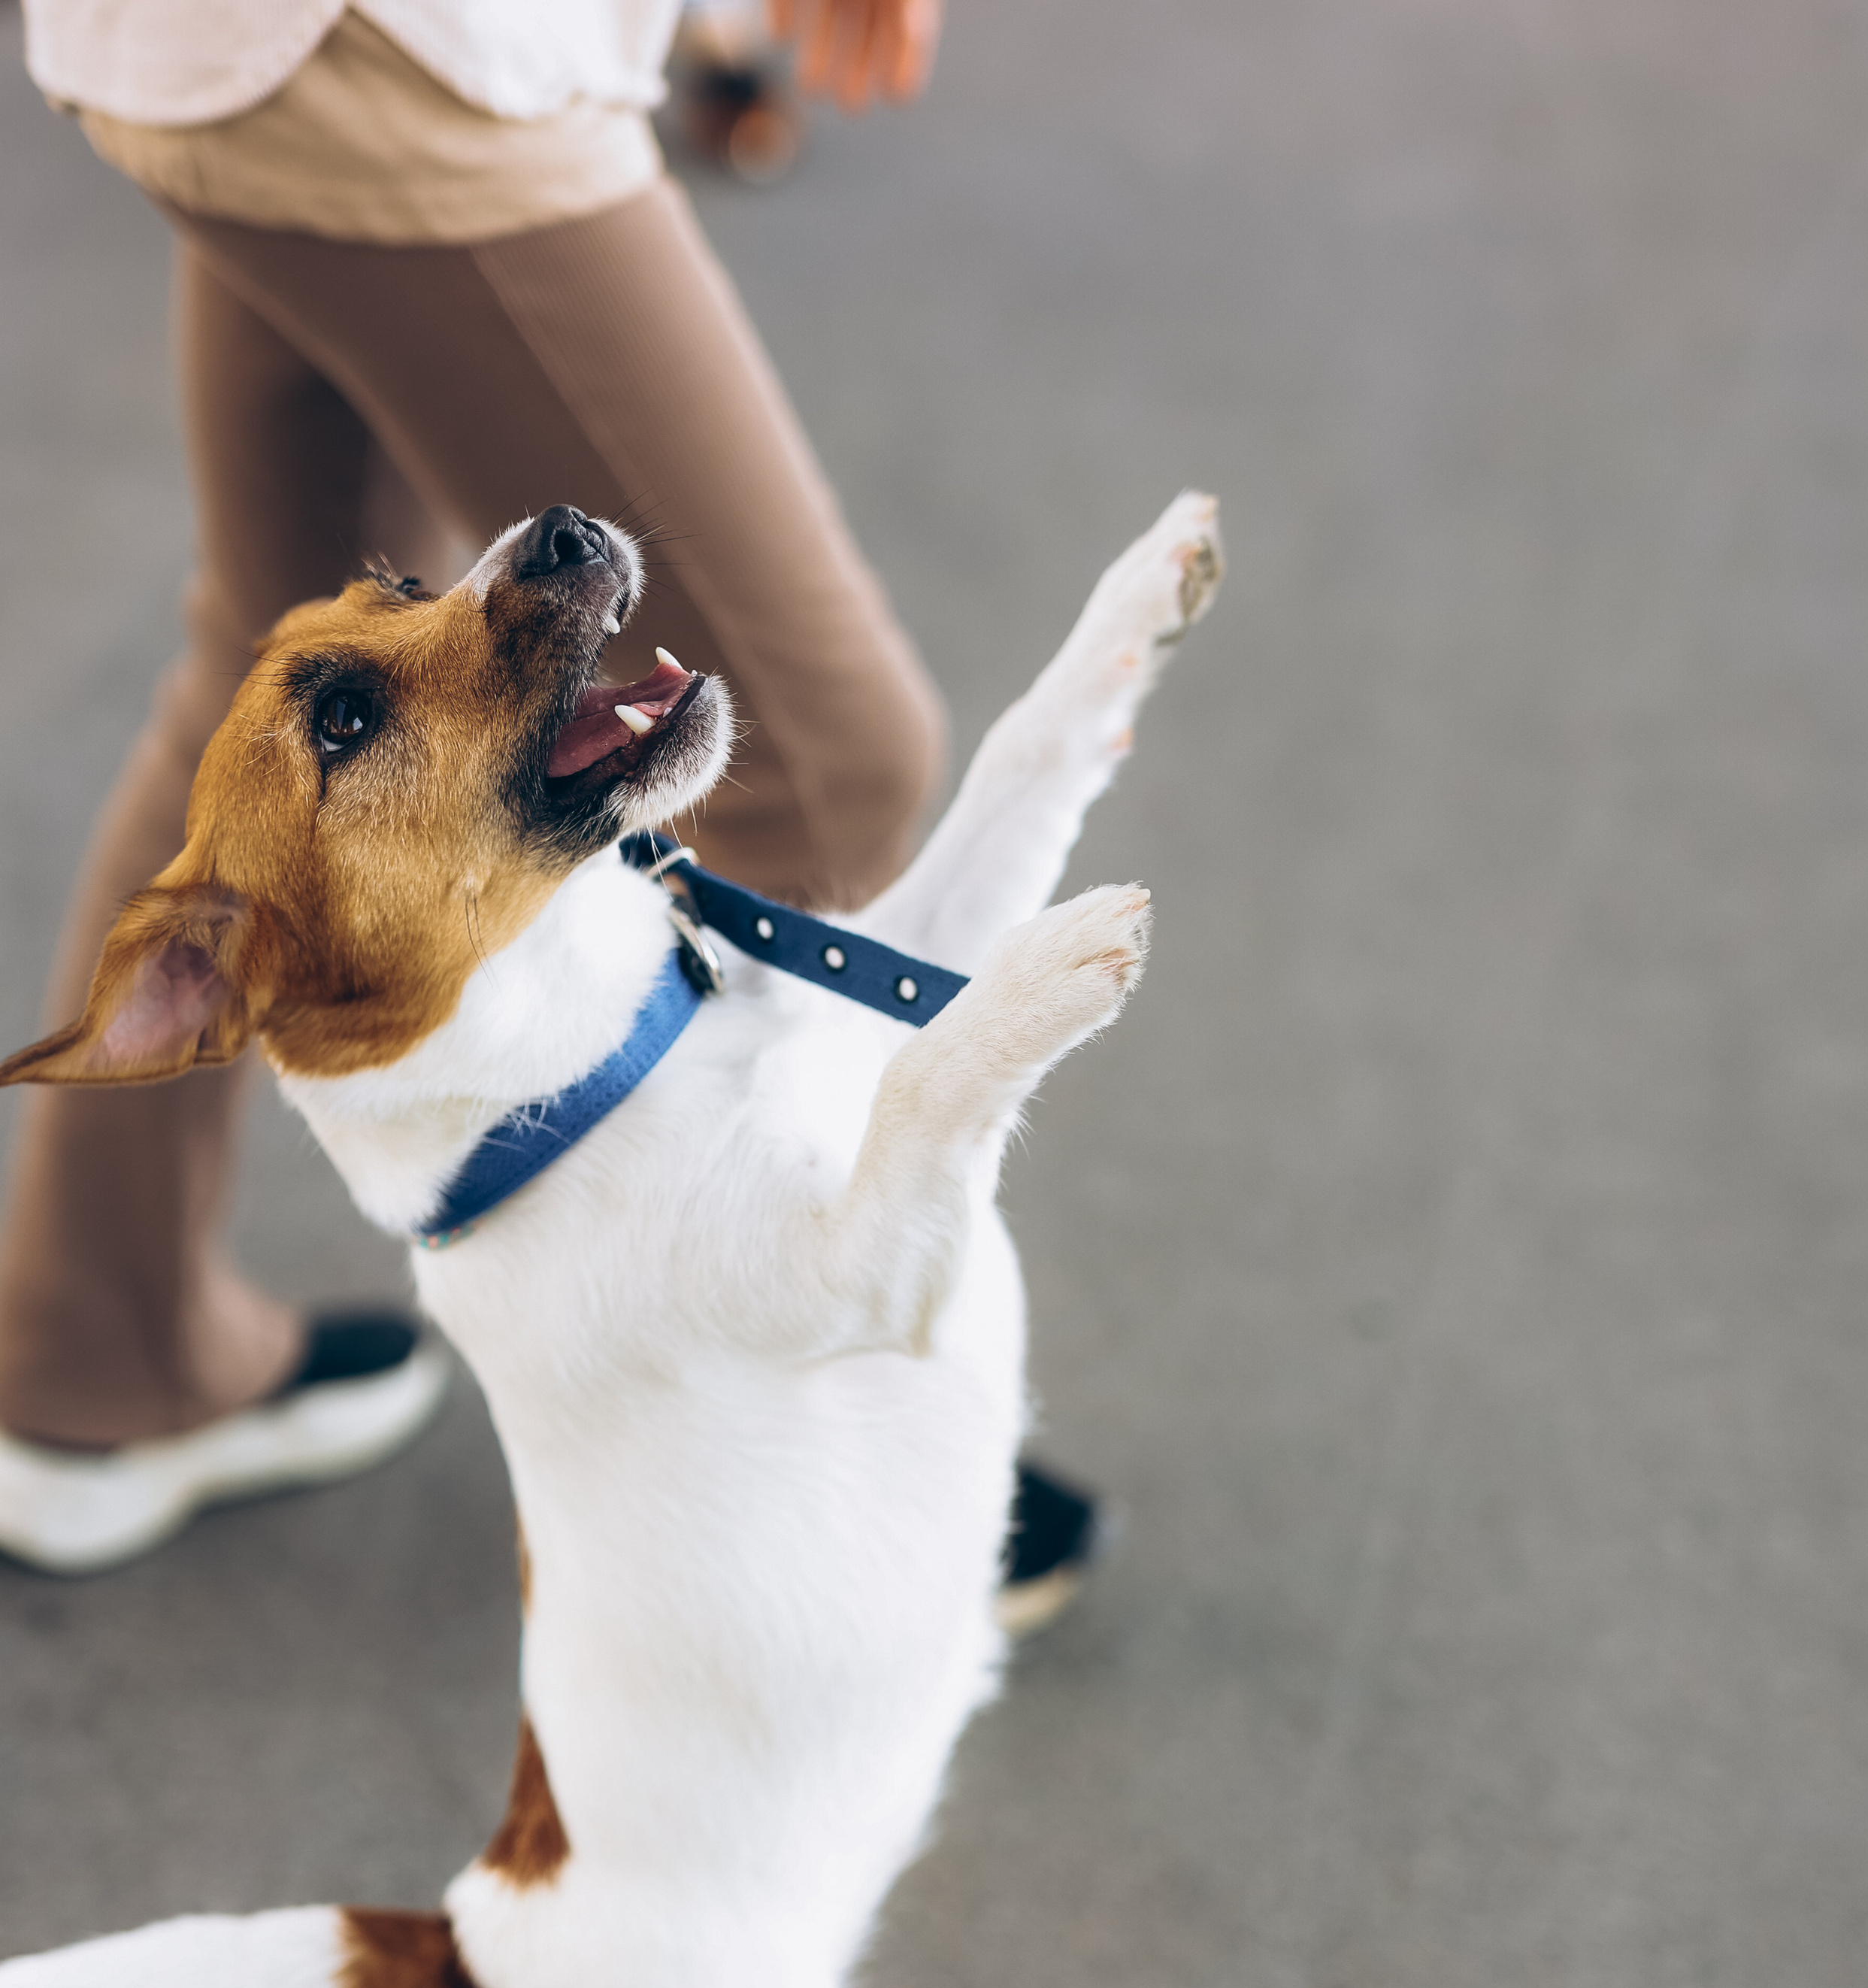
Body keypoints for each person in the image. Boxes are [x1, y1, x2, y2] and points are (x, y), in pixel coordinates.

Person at [0, 0, 1108, 1622]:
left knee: (290, 662)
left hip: (221, 48)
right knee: (825, 752)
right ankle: (821, 1447)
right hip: (392, 48)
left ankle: (99, 1349)